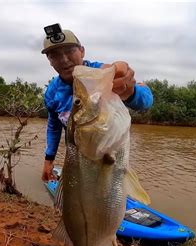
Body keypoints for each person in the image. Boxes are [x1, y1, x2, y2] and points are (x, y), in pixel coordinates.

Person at [41, 26, 154, 183]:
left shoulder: (101, 75)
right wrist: (48, 159)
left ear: (82, 51)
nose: (64, 60)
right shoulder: (52, 93)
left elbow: (146, 101)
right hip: (77, 159)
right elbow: (53, 126)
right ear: (50, 61)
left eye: (69, 51)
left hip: (108, 157)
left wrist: (130, 92)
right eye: (55, 55)